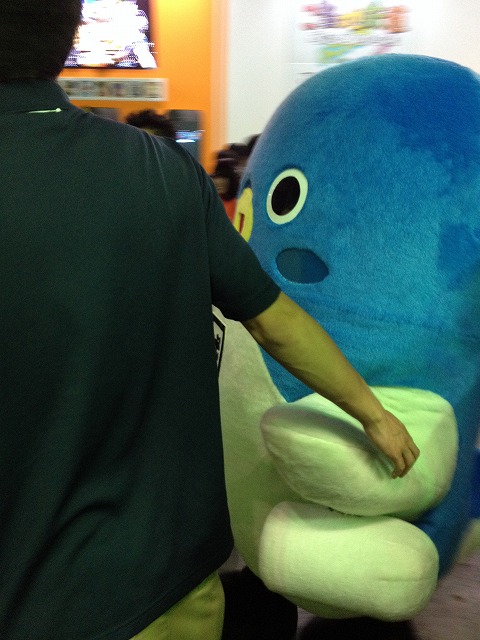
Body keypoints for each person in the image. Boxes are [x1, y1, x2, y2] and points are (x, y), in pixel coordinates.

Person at [0, 2, 419, 639]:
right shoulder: (160, 170)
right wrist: (373, 413)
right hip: (164, 587)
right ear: (69, 30)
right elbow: (274, 319)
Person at [210, 155, 240, 222]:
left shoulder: (239, 203)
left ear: (231, 180)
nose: (218, 182)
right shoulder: (213, 202)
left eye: (223, 178)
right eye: (216, 177)